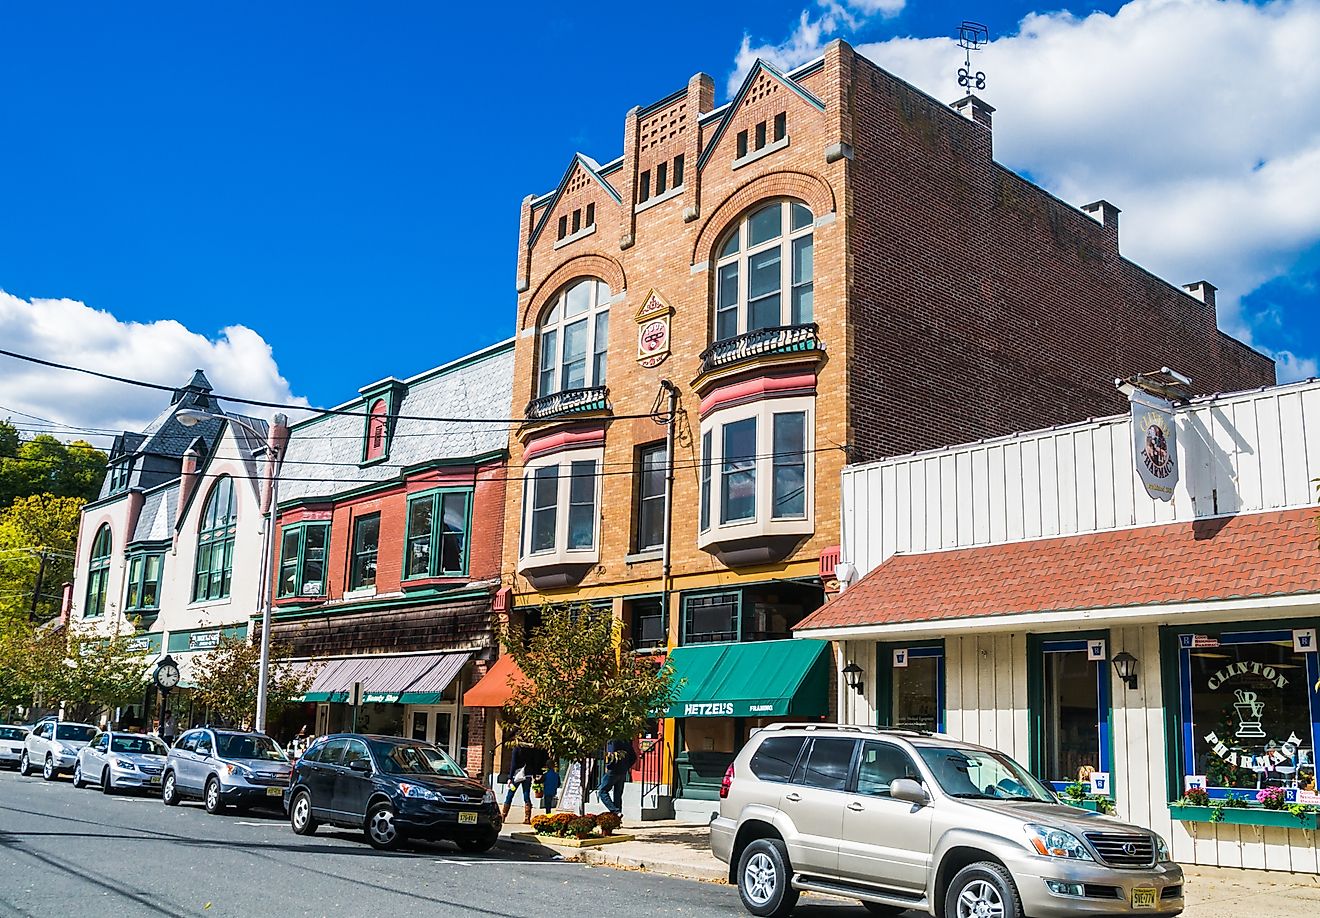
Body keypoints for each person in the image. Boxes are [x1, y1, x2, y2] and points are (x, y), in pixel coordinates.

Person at [502, 741, 549, 824]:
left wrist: (510, 777)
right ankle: (527, 818)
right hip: (528, 775)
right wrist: (534, 775)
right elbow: (535, 763)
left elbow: (513, 764)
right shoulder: (531, 750)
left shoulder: (517, 749)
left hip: (516, 776)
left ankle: (503, 816)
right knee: (526, 794)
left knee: (510, 794)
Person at [597, 738, 636, 820]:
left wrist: (609, 766)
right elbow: (634, 757)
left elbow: (612, 754)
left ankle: (615, 812)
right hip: (623, 771)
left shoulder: (612, 741)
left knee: (602, 791)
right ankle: (617, 819)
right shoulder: (625, 741)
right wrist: (626, 766)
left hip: (613, 770)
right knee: (618, 795)